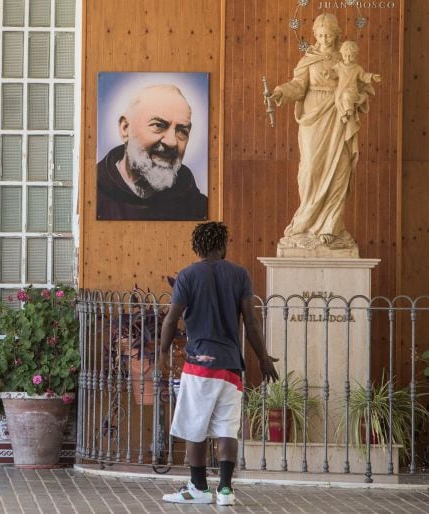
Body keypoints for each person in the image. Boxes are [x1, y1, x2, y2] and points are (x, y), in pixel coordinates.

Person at [159, 222, 278, 506]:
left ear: (197, 247)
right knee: (227, 428)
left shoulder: (187, 276)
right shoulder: (239, 275)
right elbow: (250, 321)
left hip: (200, 365)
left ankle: (198, 488)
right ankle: (225, 490)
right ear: (223, 246)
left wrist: (163, 352)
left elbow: (171, 319)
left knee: (194, 427)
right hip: (231, 368)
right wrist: (262, 358)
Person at [269, 13, 373, 251]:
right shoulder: (310, 59)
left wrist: (356, 95)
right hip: (314, 117)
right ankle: (305, 222)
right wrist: (281, 92)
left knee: (340, 168)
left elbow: (357, 86)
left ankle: (331, 226)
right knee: (310, 169)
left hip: (338, 116)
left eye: (329, 35)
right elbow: (297, 86)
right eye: (321, 35)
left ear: (337, 35)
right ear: (314, 36)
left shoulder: (346, 59)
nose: (325, 39)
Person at [96, 84, 207, 220]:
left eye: (182, 131)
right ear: (125, 128)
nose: (172, 142)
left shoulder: (197, 205)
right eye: (158, 125)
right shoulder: (92, 195)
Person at [332, 40, 380, 125]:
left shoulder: (357, 68)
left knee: (347, 96)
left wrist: (372, 77)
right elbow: (333, 73)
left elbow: (363, 76)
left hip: (351, 89)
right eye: (345, 55)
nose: (347, 58)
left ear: (355, 56)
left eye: (351, 56)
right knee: (337, 100)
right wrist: (327, 74)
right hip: (341, 89)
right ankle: (343, 115)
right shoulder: (339, 66)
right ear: (342, 54)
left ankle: (349, 112)